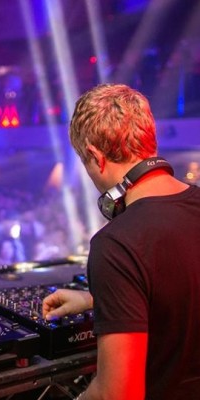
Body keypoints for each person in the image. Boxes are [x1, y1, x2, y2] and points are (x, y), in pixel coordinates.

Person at [42, 84, 200, 399]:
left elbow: (118, 393)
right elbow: (182, 293)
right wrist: (98, 300)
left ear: (95, 157)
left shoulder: (116, 244)